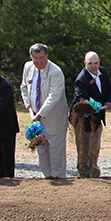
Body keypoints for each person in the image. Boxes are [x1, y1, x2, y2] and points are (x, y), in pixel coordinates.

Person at [20, 43, 69, 179]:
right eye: (35, 58)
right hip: (36, 119)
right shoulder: (28, 67)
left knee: (56, 153)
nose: (39, 61)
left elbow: (54, 96)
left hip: (54, 119)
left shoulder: (56, 72)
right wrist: (28, 106)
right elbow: (24, 87)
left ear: (47, 56)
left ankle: (59, 179)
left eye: (41, 57)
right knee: (42, 150)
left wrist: (39, 115)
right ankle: (46, 179)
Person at [72, 51, 111, 178]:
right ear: (85, 63)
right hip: (82, 119)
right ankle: (84, 174)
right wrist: (95, 107)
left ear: (99, 62)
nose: (93, 66)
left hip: (97, 118)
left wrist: (108, 101)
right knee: (84, 148)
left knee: (95, 147)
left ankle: (94, 173)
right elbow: (83, 100)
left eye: (96, 63)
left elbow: (109, 89)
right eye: (90, 64)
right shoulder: (81, 80)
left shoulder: (103, 73)